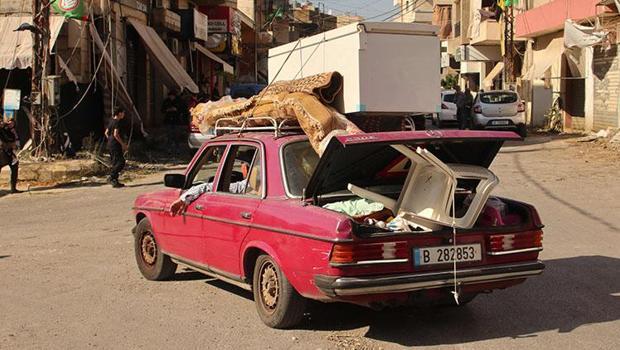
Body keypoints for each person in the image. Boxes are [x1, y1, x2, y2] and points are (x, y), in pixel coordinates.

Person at [170, 162, 250, 216]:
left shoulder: (246, 186)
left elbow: (208, 187)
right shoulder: (252, 186)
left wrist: (183, 199)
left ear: (245, 169)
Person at [105, 108, 128, 188]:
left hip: (110, 144)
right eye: (123, 112)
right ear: (119, 113)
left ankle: (115, 180)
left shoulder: (111, 121)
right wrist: (123, 144)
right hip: (115, 144)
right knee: (121, 162)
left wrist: (110, 141)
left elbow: (106, 133)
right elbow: (115, 134)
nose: (124, 114)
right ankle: (111, 176)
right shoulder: (117, 122)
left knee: (115, 162)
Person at [0, 119, 22, 193]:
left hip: (8, 152)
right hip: (3, 152)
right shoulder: (3, 130)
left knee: (15, 166)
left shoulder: (9, 130)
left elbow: (15, 139)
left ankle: (13, 188)